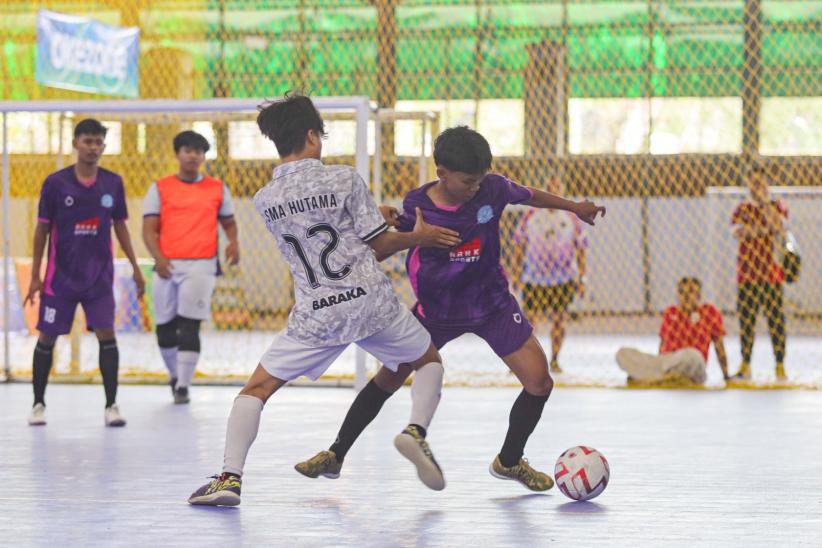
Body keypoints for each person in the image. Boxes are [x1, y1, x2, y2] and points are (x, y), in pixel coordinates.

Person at [296, 126, 605, 492]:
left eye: (480, 179)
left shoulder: (494, 188)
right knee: (388, 379)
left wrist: (574, 207)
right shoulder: (417, 204)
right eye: (467, 181)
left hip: (491, 305)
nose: (475, 187)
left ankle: (509, 461)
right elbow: (382, 247)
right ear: (441, 172)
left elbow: (531, 195)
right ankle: (336, 453)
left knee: (539, 382)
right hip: (436, 312)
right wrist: (396, 228)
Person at [188, 94, 462, 506]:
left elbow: (321, 227)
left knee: (256, 389)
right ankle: (415, 432)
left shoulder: (265, 199)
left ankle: (229, 478)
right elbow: (380, 246)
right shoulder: (344, 179)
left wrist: (369, 216)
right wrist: (418, 238)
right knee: (428, 362)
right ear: (313, 136)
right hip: (370, 302)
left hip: (316, 313)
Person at [23, 119, 145, 427]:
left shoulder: (113, 183)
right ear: (76, 143)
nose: (93, 147)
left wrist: (134, 267)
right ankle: (38, 404)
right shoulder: (55, 183)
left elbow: (120, 227)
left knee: (107, 335)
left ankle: (111, 406)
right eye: (87, 141)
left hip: (99, 280)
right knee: (47, 337)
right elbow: (42, 230)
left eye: (98, 142)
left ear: (104, 146)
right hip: (60, 279)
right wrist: (37, 274)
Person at [142, 130, 240, 404]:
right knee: (164, 326)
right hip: (167, 265)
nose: (193, 156)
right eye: (187, 150)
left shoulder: (217, 188)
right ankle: (175, 376)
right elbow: (148, 230)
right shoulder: (159, 188)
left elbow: (229, 222)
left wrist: (234, 242)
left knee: (189, 325)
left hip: (201, 264)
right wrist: (159, 258)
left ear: (203, 156)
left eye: (198, 151)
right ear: (177, 154)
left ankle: (184, 385)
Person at [512, 176, 588, 373]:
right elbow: (519, 246)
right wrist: (516, 273)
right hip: (535, 277)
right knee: (529, 322)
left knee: (559, 319)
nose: (554, 192)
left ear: (562, 191)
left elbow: (581, 250)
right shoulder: (531, 215)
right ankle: (524, 361)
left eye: (558, 189)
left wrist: (582, 278)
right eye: (551, 189)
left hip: (562, 278)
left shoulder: (572, 217)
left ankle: (554, 360)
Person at [731, 164, 788, 381]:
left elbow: (779, 227)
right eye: (753, 182)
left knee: (776, 322)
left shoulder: (777, 205)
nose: (757, 186)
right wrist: (764, 230)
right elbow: (739, 232)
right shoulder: (741, 209)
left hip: (771, 275)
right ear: (747, 183)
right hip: (746, 275)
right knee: (747, 322)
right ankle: (745, 365)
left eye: (760, 182)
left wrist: (765, 207)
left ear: (767, 183)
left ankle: (780, 365)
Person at [616, 277, 729, 386]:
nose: (686, 296)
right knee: (622, 353)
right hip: (667, 361)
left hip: (692, 364)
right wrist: (658, 361)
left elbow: (719, 345)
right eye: (681, 292)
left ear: (699, 295)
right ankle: (666, 377)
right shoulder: (670, 312)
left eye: (690, 291)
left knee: (692, 356)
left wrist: (726, 375)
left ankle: (651, 377)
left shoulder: (709, 312)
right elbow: (662, 344)